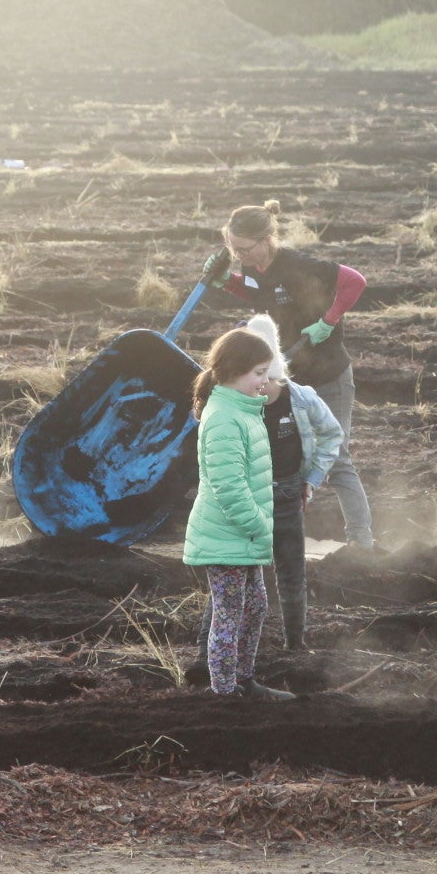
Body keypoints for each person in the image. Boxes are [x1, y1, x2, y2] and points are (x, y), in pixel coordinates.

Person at [204, 202, 373, 550]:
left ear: (266, 240)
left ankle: (361, 541)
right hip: (290, 377)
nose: (238, 255)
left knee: (337, 456)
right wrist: (225, 281)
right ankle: (278, 534)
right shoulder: (253, 269)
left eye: (244, 248)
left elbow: (355, 282)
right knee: (283, 455)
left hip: (328, 373)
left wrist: (329, 321)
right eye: (233, 248)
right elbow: (255, 292)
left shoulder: (297, 265)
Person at [183, 327, 292, 699]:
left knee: (255, 606)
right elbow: (228, 487)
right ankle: (225, 694)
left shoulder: (243, 410)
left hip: (241, 533)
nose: (266, 380)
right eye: (259, 373)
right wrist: (260, 526)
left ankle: (244, 681)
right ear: (234, 371)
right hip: (228, 533)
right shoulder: (224, 419)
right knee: (229, 614)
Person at [241, 314, 342, 655]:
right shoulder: (234, 402)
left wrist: (311, 480)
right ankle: (210, 654)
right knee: (235, 578)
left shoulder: (301, 399)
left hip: (287, 495)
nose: (262, 389)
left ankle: (296, 646)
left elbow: (332, 434)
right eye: (256, 380)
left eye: (268, 380)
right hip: (247, 500)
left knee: (292, 575)